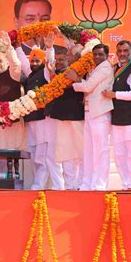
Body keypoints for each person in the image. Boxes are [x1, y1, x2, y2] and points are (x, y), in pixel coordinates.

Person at [66, 43, 114, 191]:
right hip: (89, 112)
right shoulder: (94, 69)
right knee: (89, 151)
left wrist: (75, 79)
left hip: (100, 113)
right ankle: (87, 183)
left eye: (100, 54)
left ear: (106, 56)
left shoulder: (105, 67)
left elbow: (87, 87)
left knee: (100, 150)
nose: (97, 57)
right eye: (95, 54)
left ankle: (99, 185)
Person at [20, 35, 65, 190]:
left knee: (45, 156)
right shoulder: (30, 75)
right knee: (34, 154)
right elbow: (23, 62)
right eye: (32, 61)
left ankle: (48, 186)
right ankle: (39, 185)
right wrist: (16, 46)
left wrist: (49, 48)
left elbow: (49, 64)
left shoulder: (45, 73)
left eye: (37, 61)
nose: (33, 63)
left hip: (42, 120)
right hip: (30, 120)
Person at [103, 40, 131, 189]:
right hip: (116, 118)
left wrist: (115, 94)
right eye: (120, 51)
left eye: (125, 51)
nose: (122, 54)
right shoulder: (114, 69)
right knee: (119, 155)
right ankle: (126, 184)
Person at [0, 31, 26, 177]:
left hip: (8, 124)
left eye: (1, 61)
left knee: (8, 154)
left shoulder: (12, 73)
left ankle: (10, 181)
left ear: (7, 62)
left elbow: (16, 64)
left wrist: (9, 48)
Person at [45, 47, 85, 190]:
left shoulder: (77, 72)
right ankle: (70, 186)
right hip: (61, 118)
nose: (59, 62)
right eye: (57, 60)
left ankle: (81, 185)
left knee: (81, 153)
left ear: (69, 59)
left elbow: (67, 84)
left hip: (77, 117)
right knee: (65, 153)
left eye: (62, 59)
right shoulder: (55, 75)